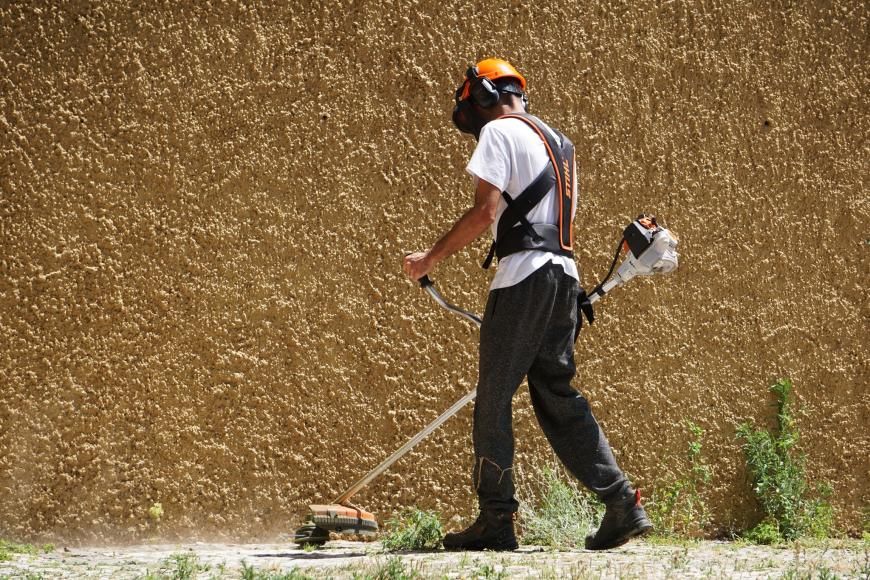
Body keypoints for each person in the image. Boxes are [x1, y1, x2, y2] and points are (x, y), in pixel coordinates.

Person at [402, 58, 652, 551]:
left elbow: (485, 212)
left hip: (524, 277)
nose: (473, 120)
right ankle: (622, 502)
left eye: (471, 105)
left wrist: (429, 257)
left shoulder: (499, 132)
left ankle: (496, 519)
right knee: (556, 395)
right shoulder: (561, 145)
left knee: (494, 395)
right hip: (564, 278)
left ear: (485, 95)